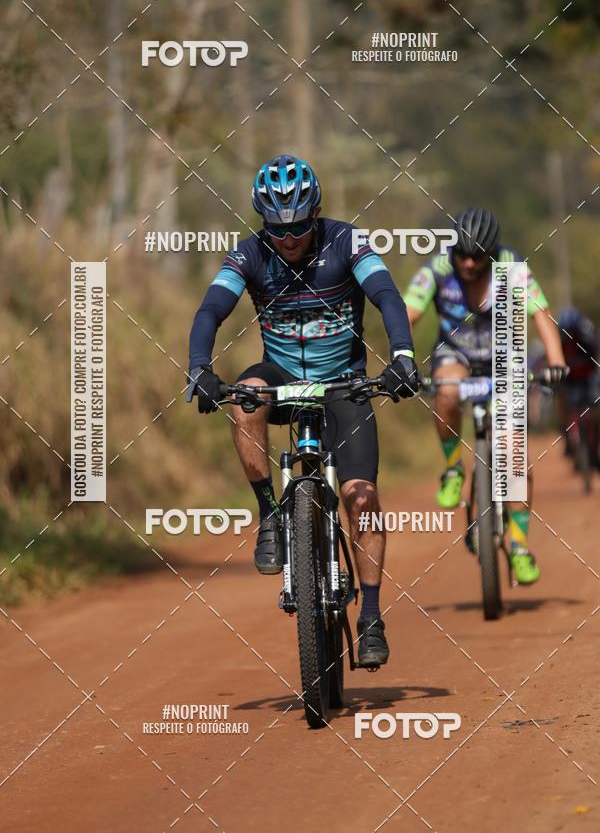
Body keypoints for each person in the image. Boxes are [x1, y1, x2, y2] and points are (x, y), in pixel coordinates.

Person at [186, 154, 419, 667]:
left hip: (344, 386)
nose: (288, 240)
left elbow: (386, 295)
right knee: (245, 394)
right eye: (277, 230)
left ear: (316, 214)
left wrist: (401, 355)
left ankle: (372, 616)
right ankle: (270, 513)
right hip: (283, 379)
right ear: (262, 223)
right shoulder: (249, 254)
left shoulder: (347, 242)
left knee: (361, 498)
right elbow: (210, 310)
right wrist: (199, 368)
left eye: (297, 228)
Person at [403, 207, 568, 585]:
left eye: (479, 256)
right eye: (463, 254)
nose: (470, 263)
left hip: (504, 355)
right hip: (455, 354)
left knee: (512, 454)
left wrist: (556, 361)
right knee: (444, 391)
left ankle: (519, 544)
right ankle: (453, 468)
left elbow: (541, 312)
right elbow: (408, 311)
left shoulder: (512, 267)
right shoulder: (438, 268)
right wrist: (402, 356)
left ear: (492, 252)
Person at [558, 307, 599, 464]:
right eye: (565, 332)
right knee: (563, 404)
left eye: (571, 331)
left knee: (595, 410)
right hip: (570, 378)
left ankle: (594, 449)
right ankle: (569, 441)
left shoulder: (586, 336)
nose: (569, 335)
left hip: (588, 376)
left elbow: (595, 356)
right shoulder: (559, 340)